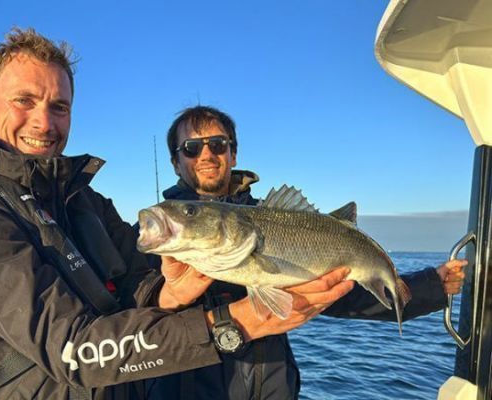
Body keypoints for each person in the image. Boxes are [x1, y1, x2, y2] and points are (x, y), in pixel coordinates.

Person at [0, 29, 357, 400]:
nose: (43, 122)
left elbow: (138, 282)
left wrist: (170, 294)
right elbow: (74, 350)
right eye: (24, 101)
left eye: (59, 106)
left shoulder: (83, 200)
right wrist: (238, 322)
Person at [144, 105, 467, 400]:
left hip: (273, 388)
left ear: (233, 153)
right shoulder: (158, 239)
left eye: (218, 144)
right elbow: (132, 320)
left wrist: (431, 285)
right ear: (175, 161)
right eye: (191, 148)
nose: (206, 155)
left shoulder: (282, 222)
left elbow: (341, 294)